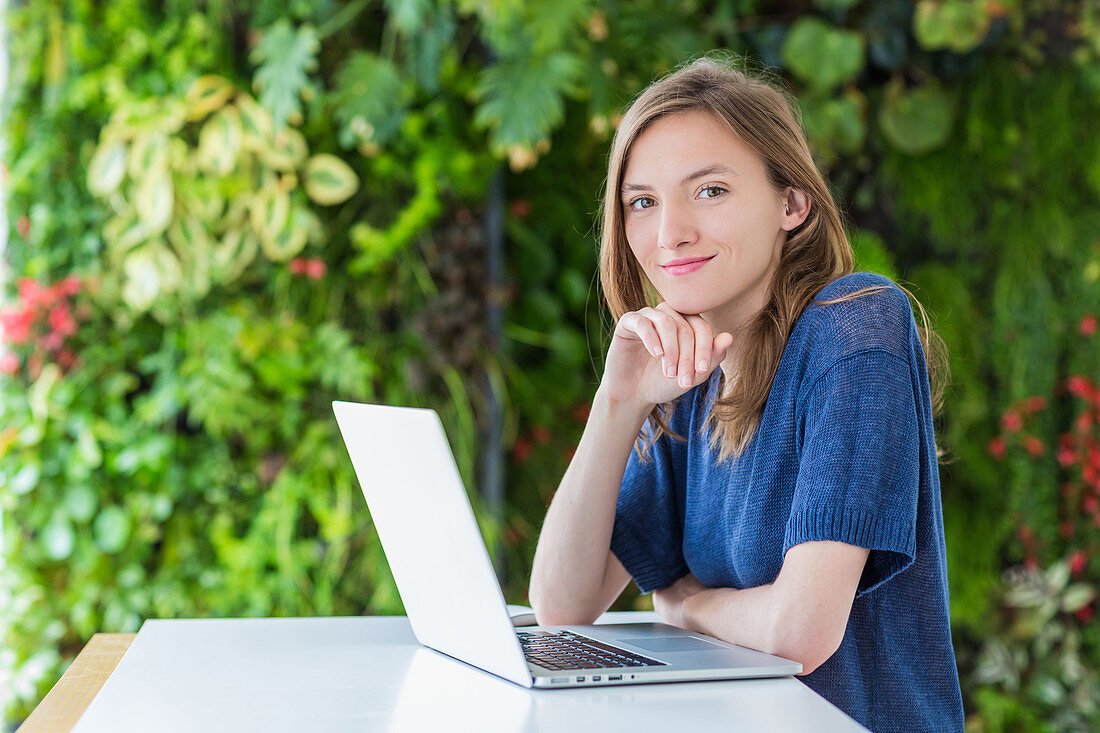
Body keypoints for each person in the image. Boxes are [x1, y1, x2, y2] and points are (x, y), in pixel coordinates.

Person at [528, 53, 965, 732]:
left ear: (793, 203)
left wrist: (686, 606)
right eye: (643, 202)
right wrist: (619, 401)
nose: (670, 231)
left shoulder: (855, 325)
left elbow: (800, 630)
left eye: (710, 191)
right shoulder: (685, 377)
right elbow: (561, 604)